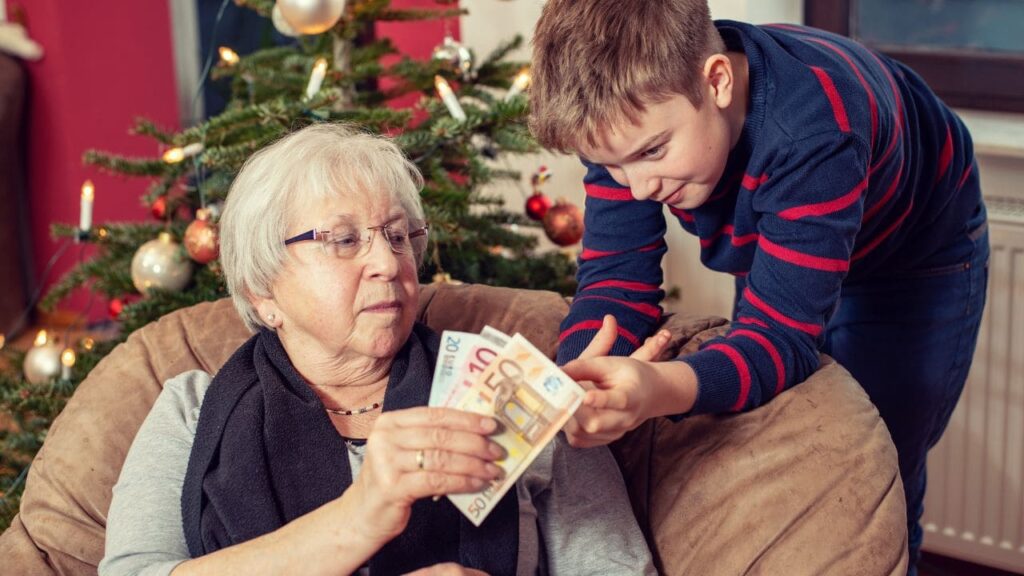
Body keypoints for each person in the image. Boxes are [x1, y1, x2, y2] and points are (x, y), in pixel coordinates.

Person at [529, 1, 989, 572]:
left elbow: (778, 339)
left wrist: (656, 388)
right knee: (769, 430)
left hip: (916, 251)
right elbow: (615, 284)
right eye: (613, 167)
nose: (638, 187)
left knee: (887, 463)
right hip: (794, 221)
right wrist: (573, 377)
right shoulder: (624, 125)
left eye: (653, 152)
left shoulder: (816, 129)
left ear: (717, 80)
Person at [100, 123, 656, 576]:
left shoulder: (512, 389)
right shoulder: (192, 411)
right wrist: (359, 517)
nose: (389, 264)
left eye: (398, 236)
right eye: (343, 240)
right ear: (262, 290)